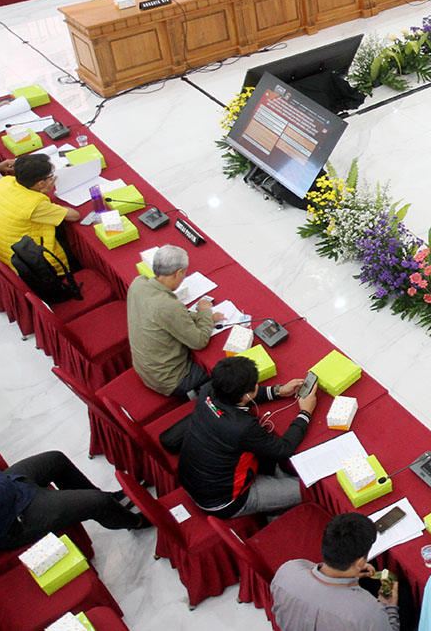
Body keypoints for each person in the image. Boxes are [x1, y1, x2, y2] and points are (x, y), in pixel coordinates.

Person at [178, 356, 316, 519]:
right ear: (245, 394)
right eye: (254, 385)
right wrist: (305, 412)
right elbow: (283, 449)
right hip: (224, 500)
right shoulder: (242, 427)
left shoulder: (210, 390)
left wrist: (278, 391)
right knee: (312, 490)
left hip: (194, 479)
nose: (257, 385)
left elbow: (243, 396)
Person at [271, 512, 399, 631]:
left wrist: (353, 572)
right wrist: (389, 605)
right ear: (359, 562)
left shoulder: (288, 570)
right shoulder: (368, 613)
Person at [0, 450, 148, 550]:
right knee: (98, 502)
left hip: (13, 484)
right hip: (15, 518)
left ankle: (116, 502)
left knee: (56, 459)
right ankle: (138, 521)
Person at [127, 244, 222, 398]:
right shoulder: (168, 306)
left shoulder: (138, 283)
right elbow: (199, 341)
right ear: (178, 273)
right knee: (220, 375)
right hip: (170, 379)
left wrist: (201, 318)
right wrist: (205, 311)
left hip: (145, 367)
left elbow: (166, 318)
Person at [0, 153, 80, 273]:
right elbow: (74, 215)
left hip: (8, 252)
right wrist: (43, 193)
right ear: (41, 183)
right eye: (50, 176)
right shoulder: (35, 205)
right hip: (37, 263)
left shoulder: (5, 182)